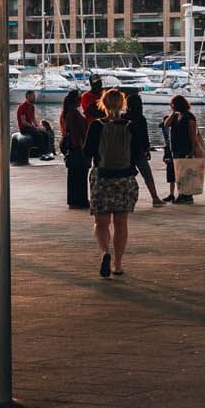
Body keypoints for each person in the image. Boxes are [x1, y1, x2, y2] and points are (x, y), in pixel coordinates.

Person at [86, 89, 140, 276]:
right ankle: (117, 264)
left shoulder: (96, 126)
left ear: (103, 104)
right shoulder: (131, 126)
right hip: (124, 179)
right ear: (123, 104)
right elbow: (138, 153)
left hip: (102, 178)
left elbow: (87, 152)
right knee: (121, 223)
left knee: (101, 223)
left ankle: (105, 252)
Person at [123, 87, 164, 206]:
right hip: (139, 150)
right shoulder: (141, 118)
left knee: (128, 175)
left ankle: (126, 199)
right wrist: (147, 149)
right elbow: (145, 136)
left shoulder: (124, 117)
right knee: (147, 175)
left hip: (126, 151)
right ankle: (155, 198)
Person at [160, 94, 201, 203]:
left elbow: (192, 134)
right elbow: (166, 124)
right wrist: (173, 113)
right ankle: (181, 195)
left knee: (185, 173)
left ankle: (187, 196)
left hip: (185, 148)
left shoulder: (189, 116)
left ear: (177, 104)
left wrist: (192, 149)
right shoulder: (176, 116)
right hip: (176, 148)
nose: (170, 105)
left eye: (172, 104)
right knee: (178, 173)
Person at [59, 90, 89, 210]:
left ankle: (74, 200)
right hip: (77, 147)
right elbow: (77, 133)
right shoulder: (74, 114)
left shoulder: (66, 113)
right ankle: (81, 200)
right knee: (81, 175)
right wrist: (83, 149)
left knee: (73, 176)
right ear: (77, 101)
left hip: (71, 148)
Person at [16, 90, 54, 159]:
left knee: (45, 134)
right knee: (39, 135)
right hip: (24, 128)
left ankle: (47, 152)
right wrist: (34, 127)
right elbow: (23, 122)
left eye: (34, 95)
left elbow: (33, 119)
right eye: (33, 96)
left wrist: (39, 127)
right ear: (28, 96)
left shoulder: (32, 106)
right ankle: (42, 154)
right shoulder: (22, 106)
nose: (34, 97)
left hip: (30, 127)